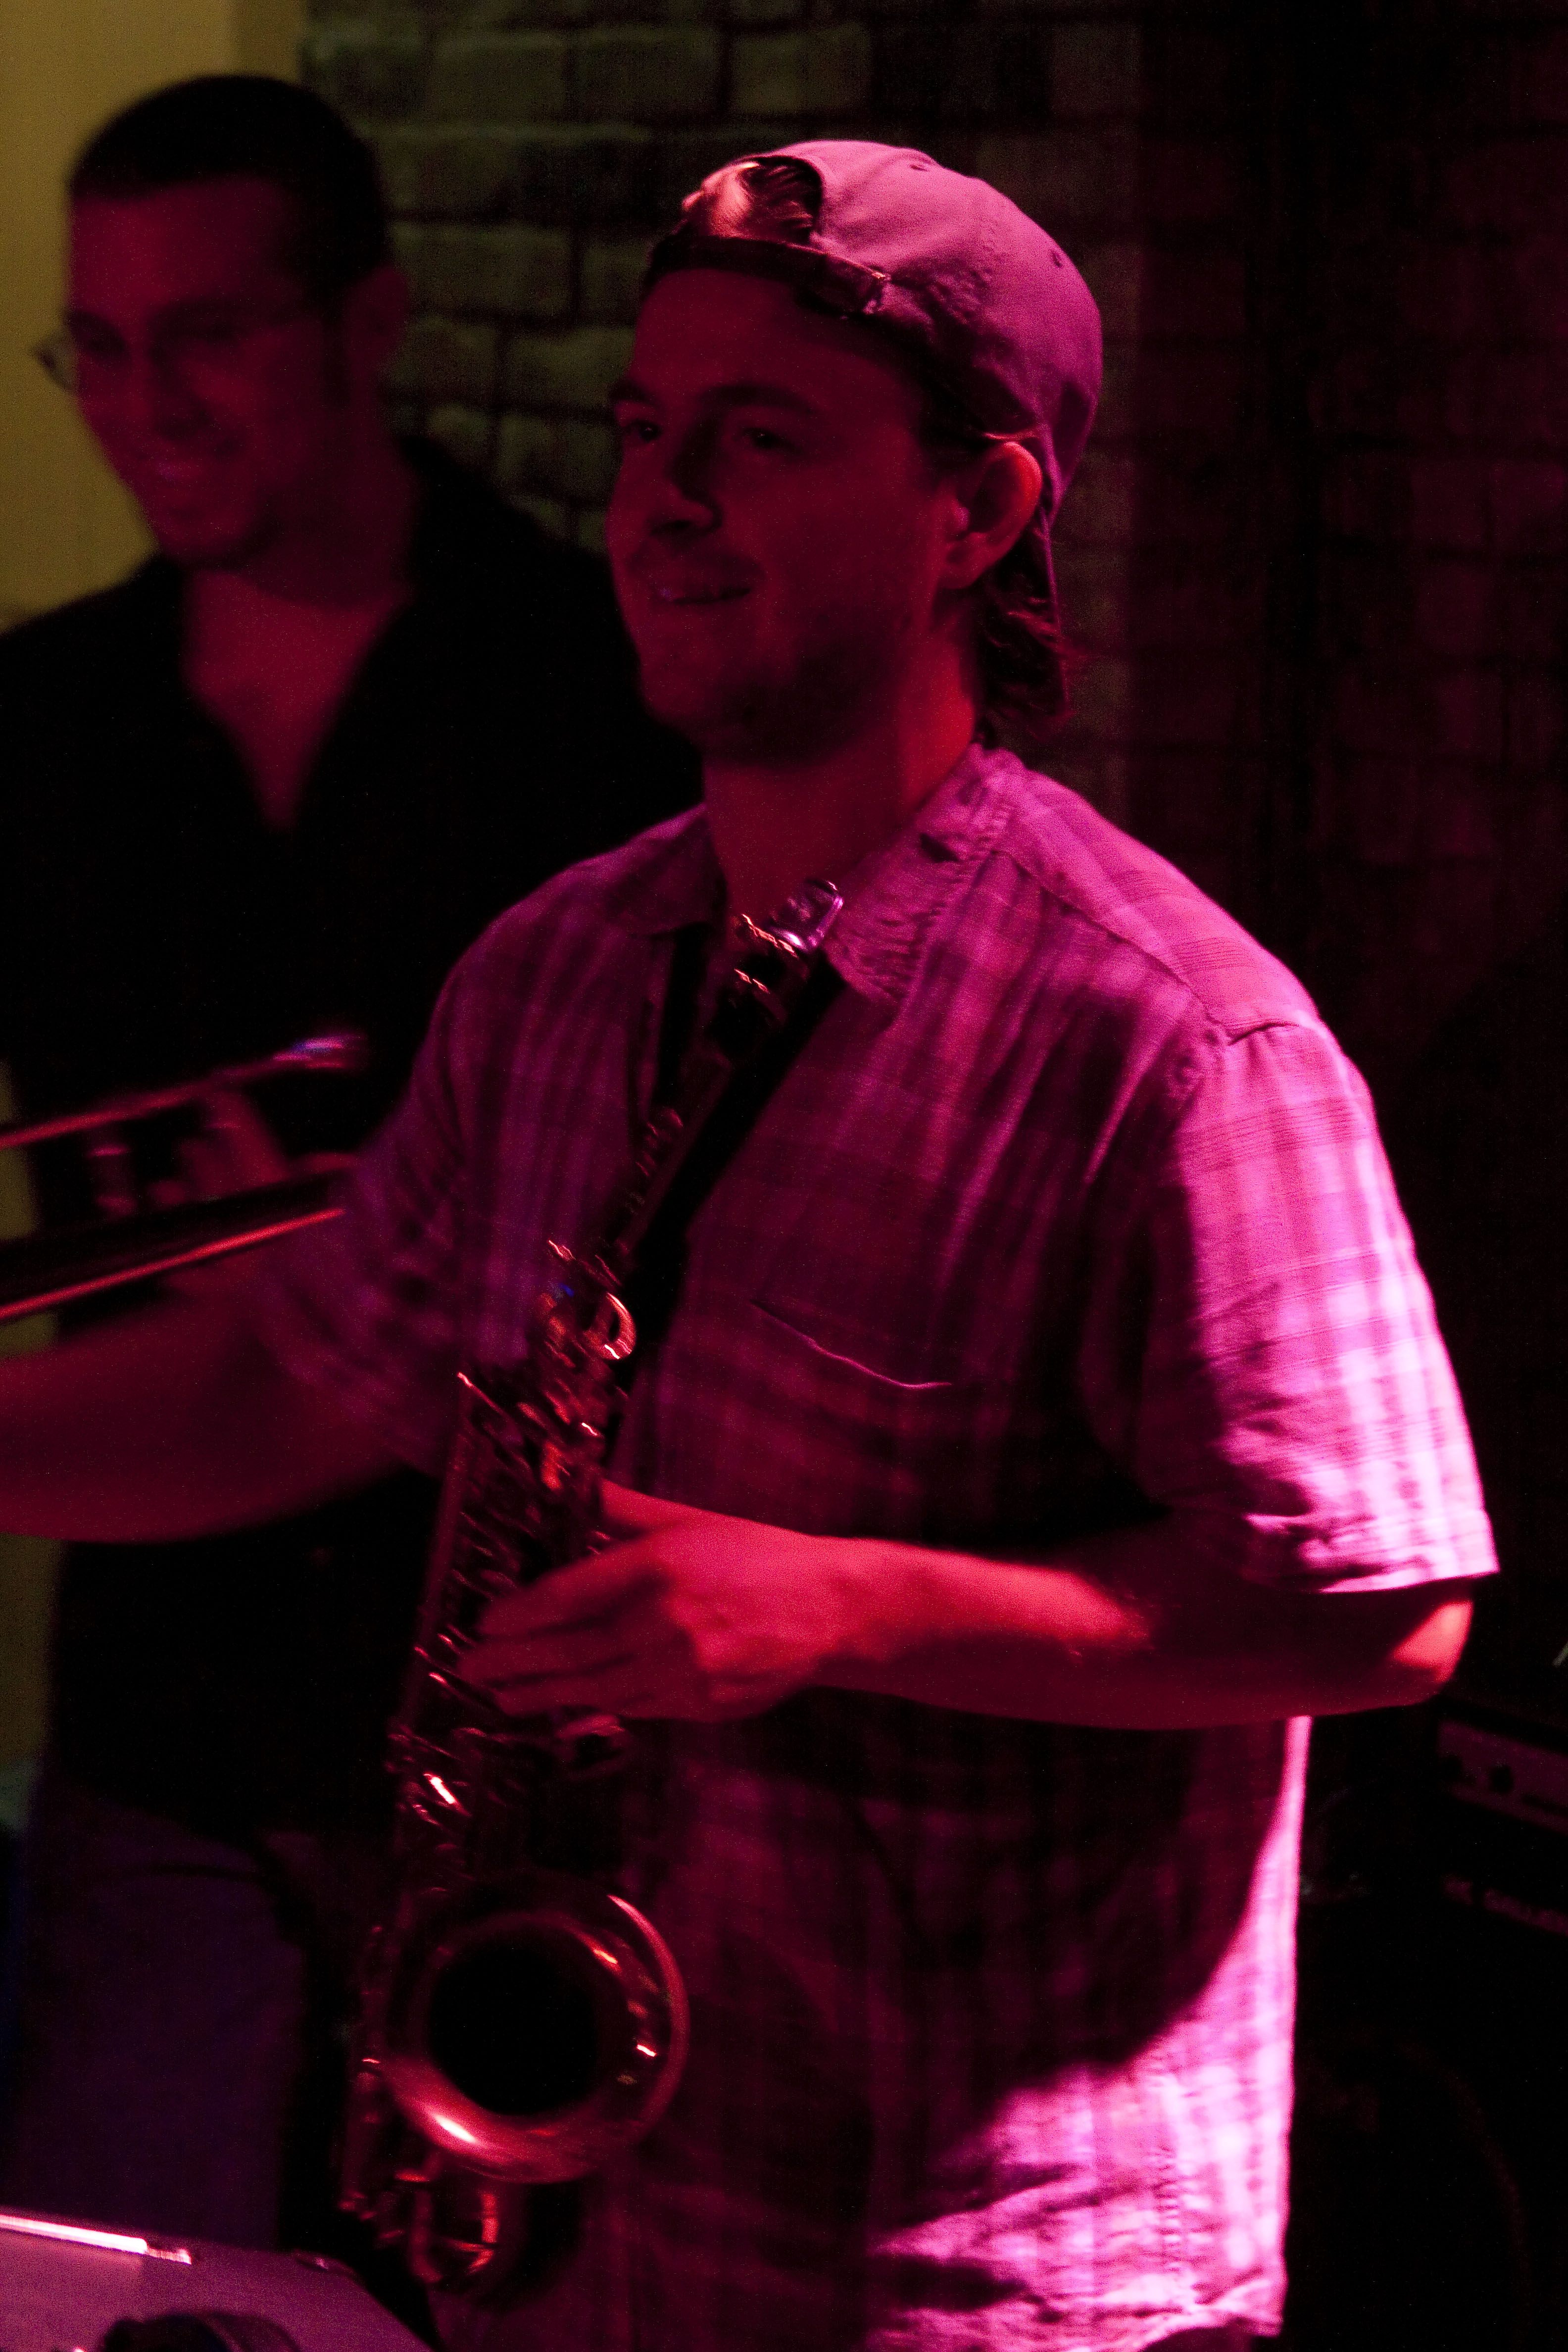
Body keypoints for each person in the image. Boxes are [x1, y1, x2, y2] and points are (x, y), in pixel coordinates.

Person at [0, 142, 1493, 2351]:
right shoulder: (555, 970)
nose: (663, 501)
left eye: (759, 439)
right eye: (643, 432)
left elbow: (1382, 1609)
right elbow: (295, 1374)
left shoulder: (1178, 1038)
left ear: (978, 509)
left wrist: (841, 1604)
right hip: (596, 2243)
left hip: (975, 2281)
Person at [0, 74, 693, 2262]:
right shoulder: (42, 724)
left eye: (206, 335)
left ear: (371, 319)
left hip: (524, 1729)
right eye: (100, 347)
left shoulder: (596, 693)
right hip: (166, 1719)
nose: (146, 404)